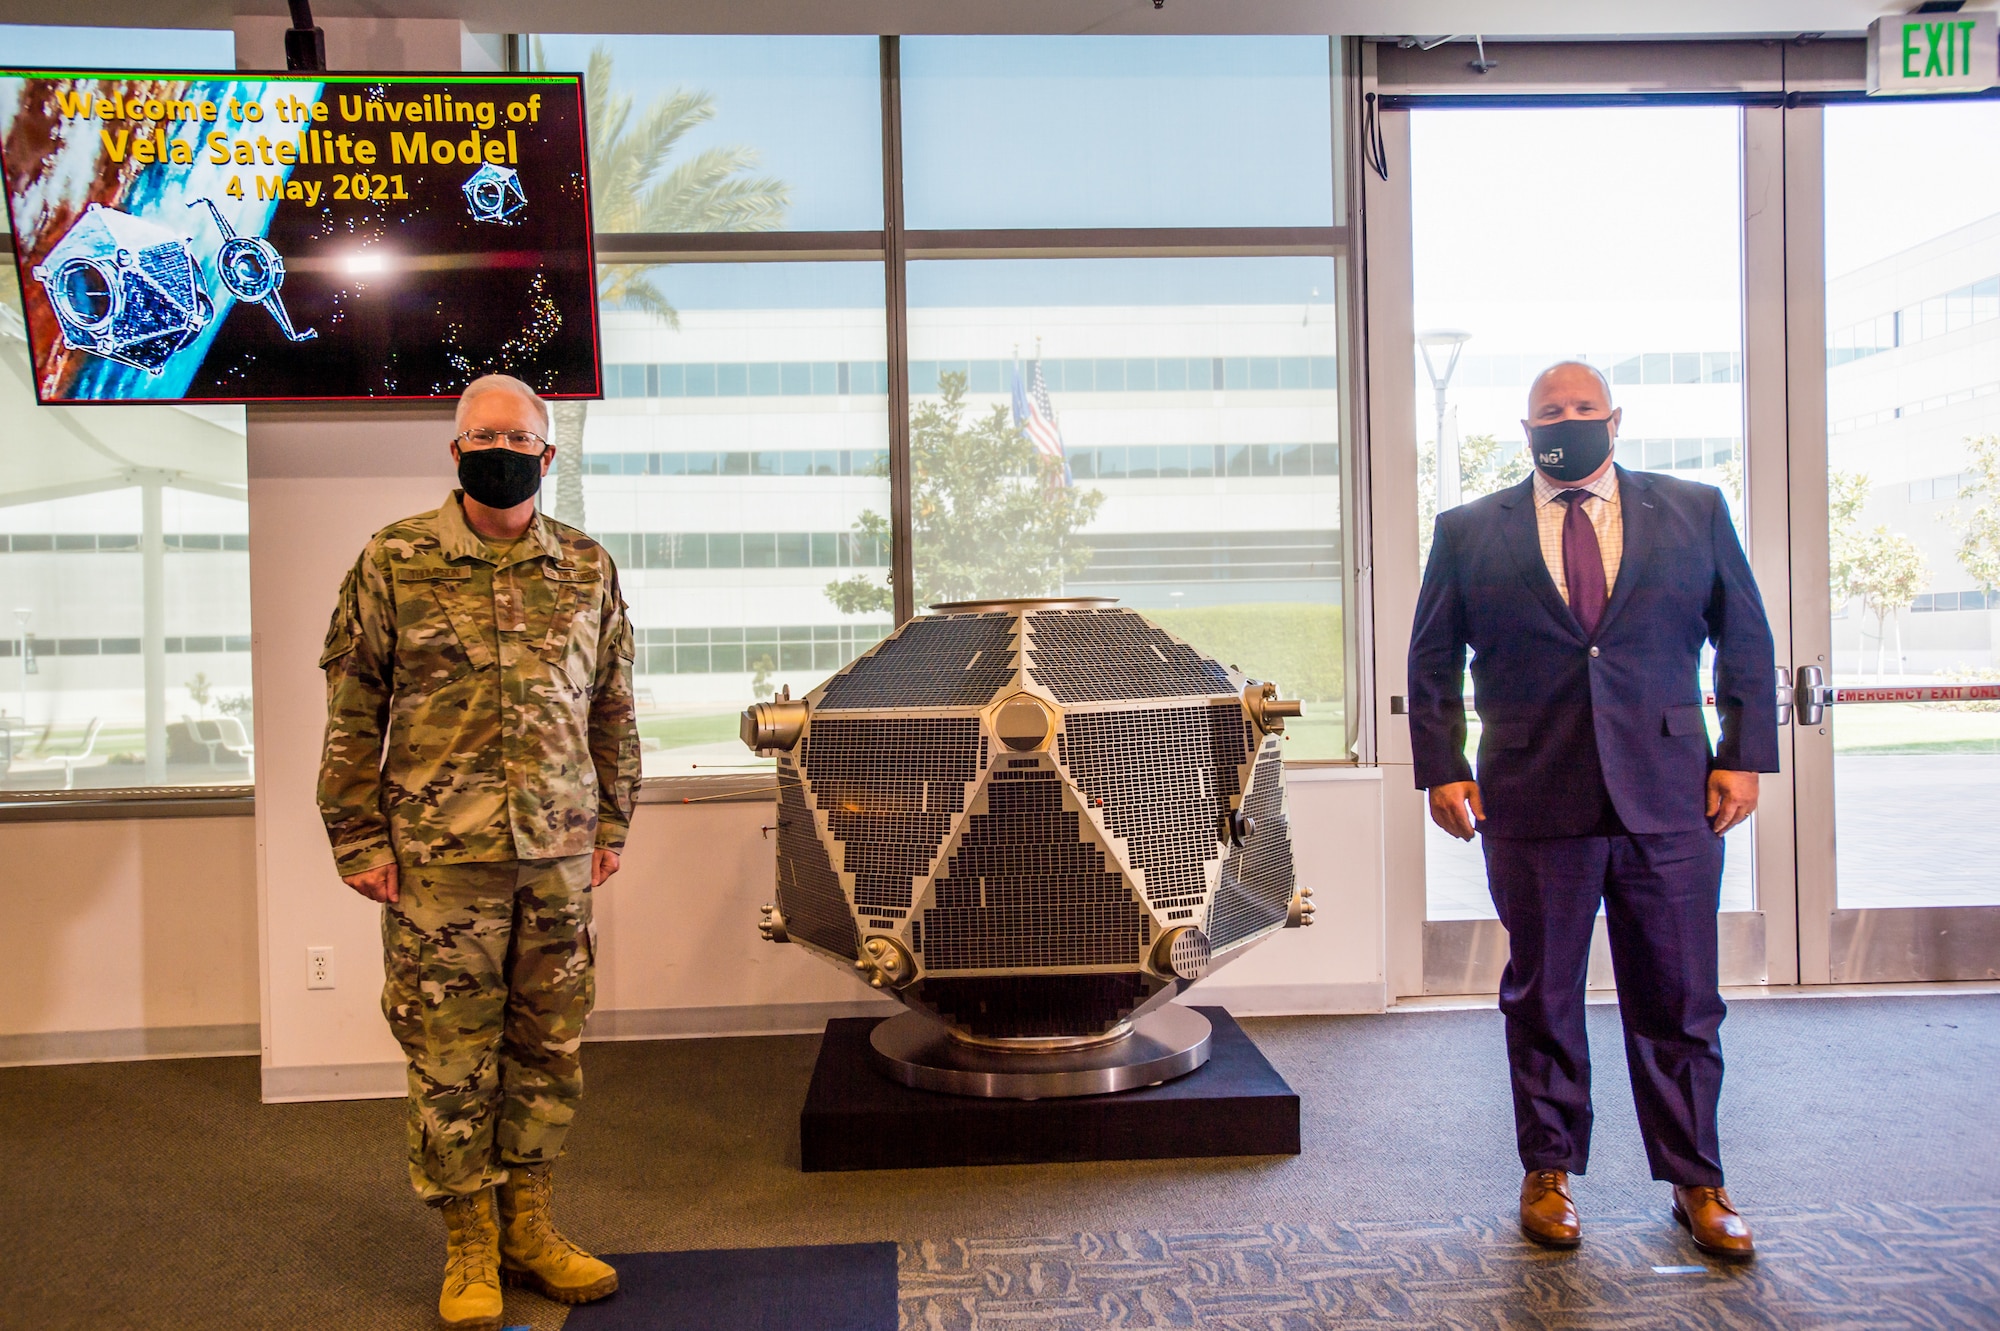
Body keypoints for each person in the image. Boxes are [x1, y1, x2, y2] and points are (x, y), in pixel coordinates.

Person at [1407, 361, 1779, 1261]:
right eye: (1548, 412)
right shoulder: (1467, 529)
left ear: (1615, 419)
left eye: (1581, 409)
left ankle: (1699, 1180)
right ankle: (1548, 1171)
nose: (1565, 422)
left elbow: (1747, 635)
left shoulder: (1694, 508)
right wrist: (1442, 767)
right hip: (1534, 794)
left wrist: (1742, 755)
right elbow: (1430, 658)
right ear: (1525, 426)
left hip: (1671, 795)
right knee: (1542, 994)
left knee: (1683, 998)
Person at [317, 374, 640, 1330]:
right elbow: (352, 711)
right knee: (451, 1057)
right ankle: (468, 1245)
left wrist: (613, 822)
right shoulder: (395, 558)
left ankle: (529, 1227)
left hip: (557, 855)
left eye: (519, 434)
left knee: (548, 1048)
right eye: (480, 433)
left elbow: (614, 704)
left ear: (548, 454)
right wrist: (355, 835)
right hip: (436, 863)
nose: (500, 447)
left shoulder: (586, 565)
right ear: (455, 451)